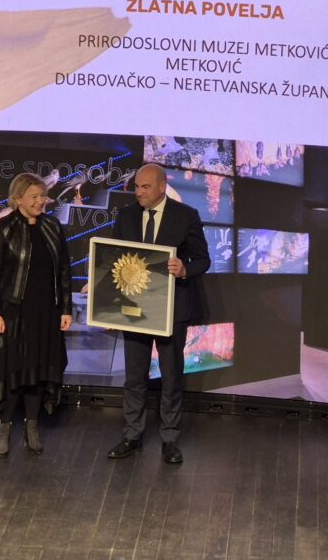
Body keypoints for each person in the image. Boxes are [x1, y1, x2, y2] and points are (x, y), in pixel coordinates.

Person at [106, 163, 210, 464]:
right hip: (135, 309)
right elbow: (114, 258)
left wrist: (185, 269)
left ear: (162, 187)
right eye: (136, 187)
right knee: (134, 376)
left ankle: (170, 439)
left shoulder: (186, 216)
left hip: (172, 309)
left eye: (145, 187)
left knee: (172, 376)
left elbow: (203, 259)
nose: (138, 192)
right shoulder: (126, 215)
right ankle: (132, 435)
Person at [0, 173, 72, 457]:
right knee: (12, 371)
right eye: (34, 196)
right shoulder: (1, 229)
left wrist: (66, 309)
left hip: (46, 313)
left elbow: (64, 272)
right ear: (17, 199)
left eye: (43, 196)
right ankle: (5, 427)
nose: (41, 201)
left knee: (38, 372)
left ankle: (32, 426)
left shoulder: (53, 227)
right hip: (12, 313)